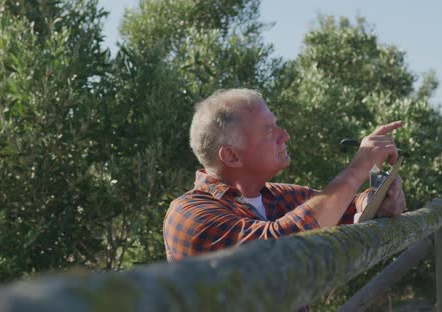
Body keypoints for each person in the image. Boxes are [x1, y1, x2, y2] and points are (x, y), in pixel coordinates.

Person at [163, 88, 405, 262]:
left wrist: (378, 199)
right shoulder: (189, 215)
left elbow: (343, 207)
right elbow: (279, 247)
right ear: (232, 156)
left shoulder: (275, 195)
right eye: (268, 130)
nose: (285, 135)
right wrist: (356, 170)